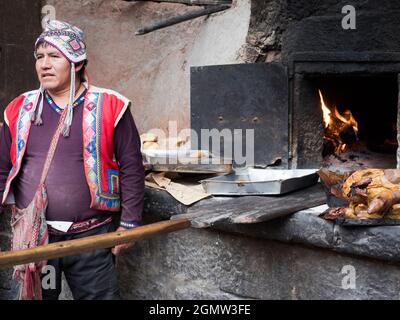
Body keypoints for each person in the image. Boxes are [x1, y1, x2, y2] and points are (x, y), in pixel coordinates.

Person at [0, 20, 145, 300]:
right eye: (40, 57)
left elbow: (132, 167)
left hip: (91, 237)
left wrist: (129, 223)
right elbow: (1, 168)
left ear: (77, 63)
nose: (44, 64)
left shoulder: (111, 106)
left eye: (55, 56)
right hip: (36, 238)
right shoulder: (20, 108)